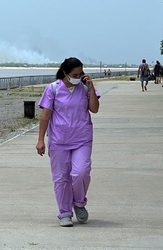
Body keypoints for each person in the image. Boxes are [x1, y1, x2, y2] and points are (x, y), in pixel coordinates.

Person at [36, 57, 100, 227]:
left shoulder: (85, 88)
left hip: (82, 138)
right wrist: (40, 140)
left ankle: (79, 202)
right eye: (74, 74)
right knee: (61, 178)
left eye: (80, 74)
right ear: (65, 73)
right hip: (59, 140)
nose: (77, 77)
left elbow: (94, 109)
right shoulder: (53, 89)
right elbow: (45, 117)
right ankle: (64, 212)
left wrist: (91, 88)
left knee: (81, 172)